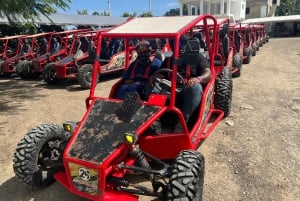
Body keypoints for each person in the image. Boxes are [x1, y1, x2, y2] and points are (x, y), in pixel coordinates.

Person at [177, 38, 211, 123]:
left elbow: (207, 72)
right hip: (171, 87)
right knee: (151, 84)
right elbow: (163, 72)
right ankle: (151, 117)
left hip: (188, 88)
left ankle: (184, 120)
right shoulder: (173, 59)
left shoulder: (199, 57)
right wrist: (157, 76)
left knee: (196, 87)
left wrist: (199, 79)